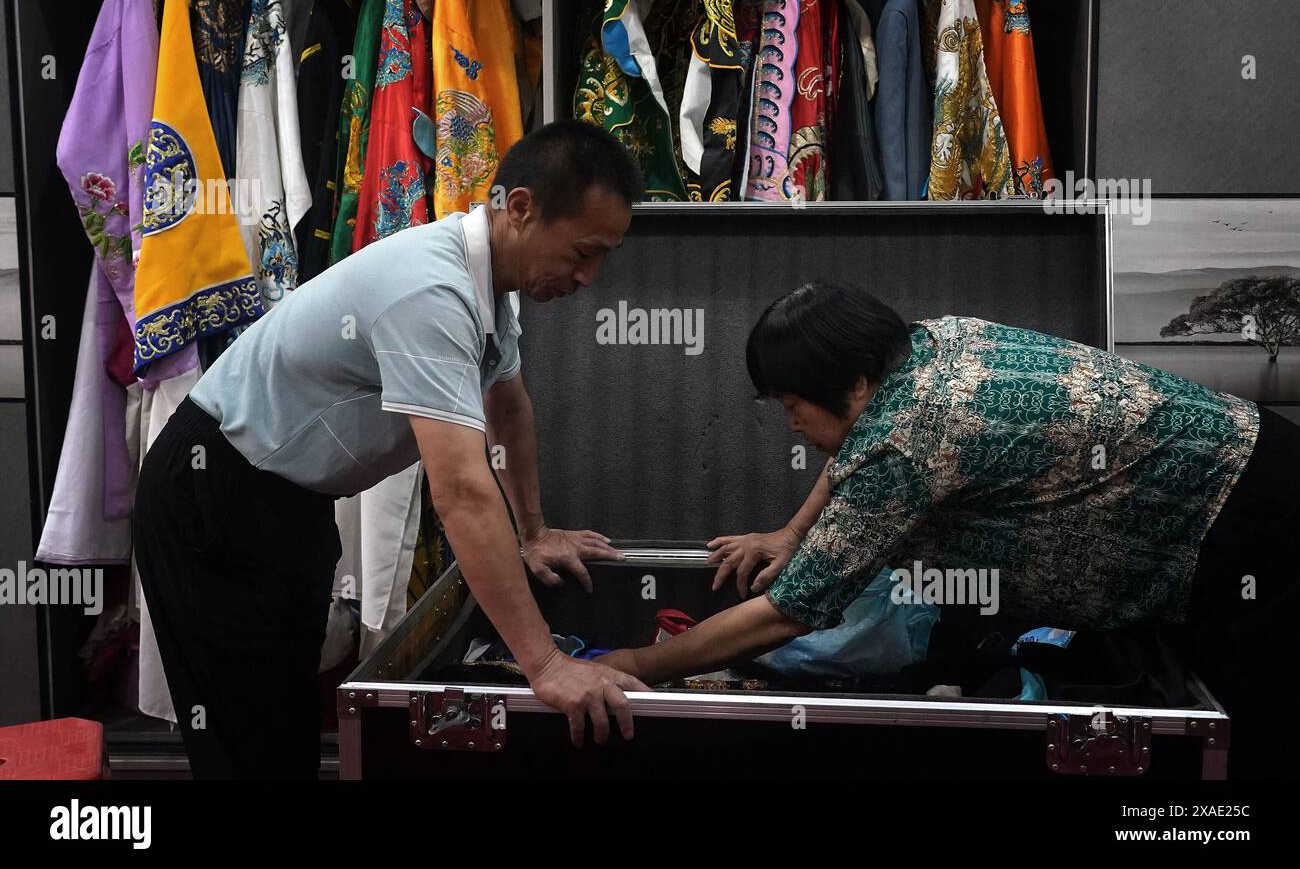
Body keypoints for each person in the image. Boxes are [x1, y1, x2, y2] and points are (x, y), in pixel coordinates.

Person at [599, 280, 1300, 778]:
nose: (790, 426)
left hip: (1254, 528)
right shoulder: (931, 339)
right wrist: (790, 534)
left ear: (855, 386)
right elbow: (856, 445)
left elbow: (786, 613)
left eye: (793, 406)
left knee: (1256, 745)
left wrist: (634, 666)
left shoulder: (909, 441)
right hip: (1258, 456)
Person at [134, 121, 651, 778]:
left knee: (290, 723)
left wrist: (535, 531)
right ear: (519, 208)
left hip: (290, 501)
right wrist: (545, 665)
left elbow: (510, 409)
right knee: (246, 744)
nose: (589, 276)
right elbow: (461, 491)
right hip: (215, 490)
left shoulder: (491, 283)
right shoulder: (431, 291)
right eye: (582, 252)